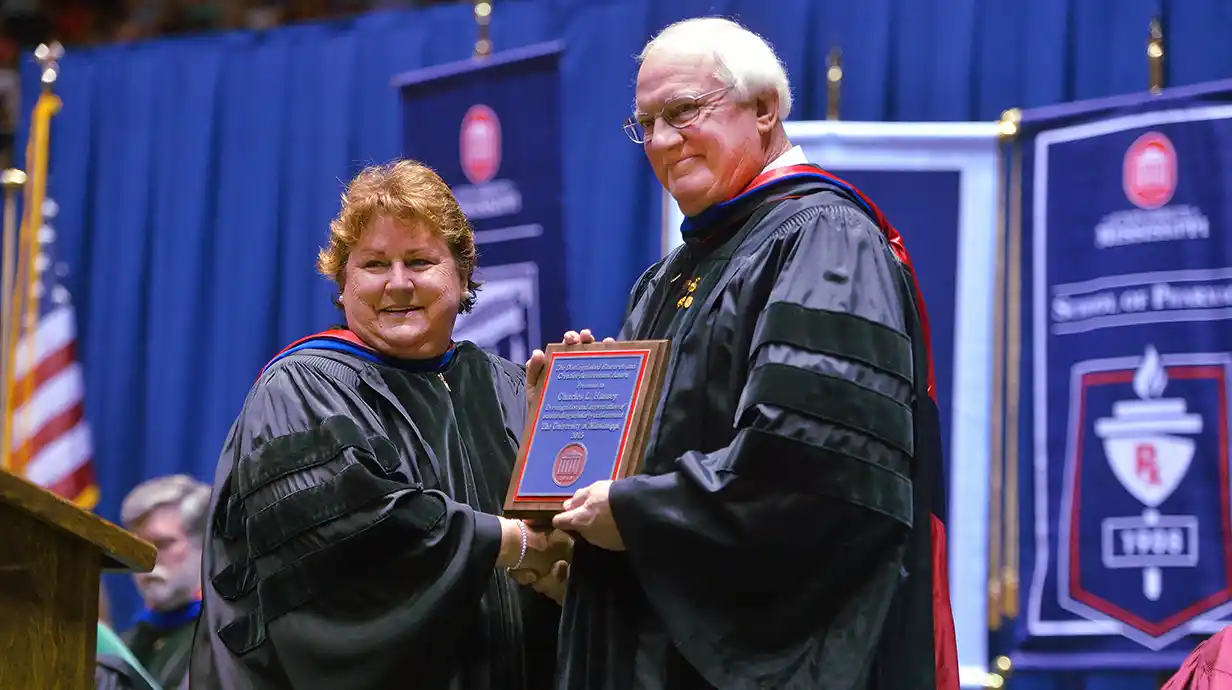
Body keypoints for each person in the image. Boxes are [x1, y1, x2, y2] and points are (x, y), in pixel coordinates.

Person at [516, 16, 961, 690]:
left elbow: (813, 467)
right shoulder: (671, 276)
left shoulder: (825, 237)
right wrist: (575, 431)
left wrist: (636, 515)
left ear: (764, 109)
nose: (663, 141)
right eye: (647, 123)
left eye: (684, 111)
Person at [188, 160, 570, 690]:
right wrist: (509, 542)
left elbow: (567, 542)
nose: (398, 284)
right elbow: (353, 535)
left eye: (419, 261)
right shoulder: (303, 386)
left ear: (461, 279)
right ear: (342, 284)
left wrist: (566, 437)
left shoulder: (509, 386)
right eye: (373, 264)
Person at [120, 474, 211, 690]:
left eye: (163, 544)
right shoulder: (125, 646)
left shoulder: (226, 643)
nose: (148, 560)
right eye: (138, 547)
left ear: (204, 545)